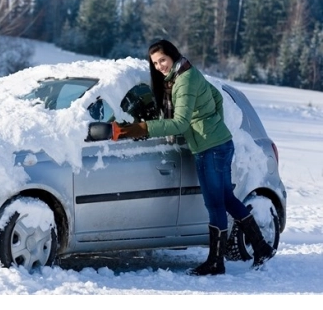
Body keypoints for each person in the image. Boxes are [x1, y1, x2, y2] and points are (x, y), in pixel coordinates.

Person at [111, 39, 276, 276]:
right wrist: (211, 123)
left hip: (212, 148)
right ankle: (261, 248)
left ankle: (216, 262)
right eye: (155, 63)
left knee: (215, 203)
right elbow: (216, 99)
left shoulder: (184, 81)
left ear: (172, 56)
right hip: (215, 144)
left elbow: (180, 123)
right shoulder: (187, 72)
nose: (159, 66)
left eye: (163, 60)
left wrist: (141, 128)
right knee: (227, 199)